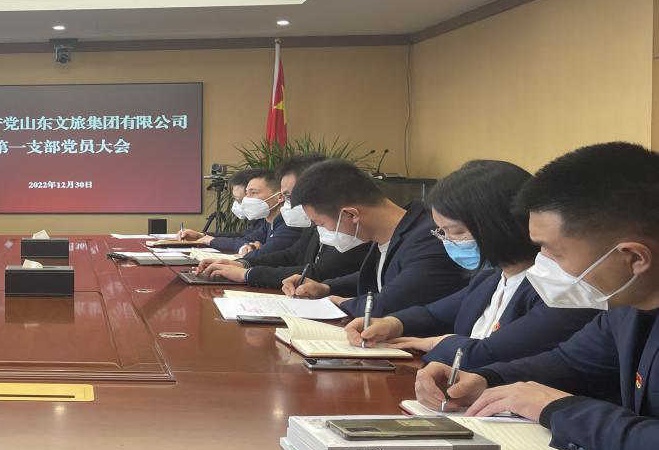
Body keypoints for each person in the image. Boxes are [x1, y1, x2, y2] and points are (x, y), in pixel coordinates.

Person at [415, 142, 659, 450]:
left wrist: (557, 408)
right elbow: (571, 362)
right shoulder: (627, 305)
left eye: (552, 251)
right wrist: (485, 378)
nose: (541, 265)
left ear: (633, 257)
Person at [344, 160, 594, 365]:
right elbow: (433, 314)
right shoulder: (491, 277)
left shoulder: (557, 290)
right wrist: (391, 324)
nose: (448, 241)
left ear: (499, 226)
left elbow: (488, 353)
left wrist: (438, 343)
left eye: (456, 232)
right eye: (441, 232)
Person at [282, 158, 468, 317]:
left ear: (351, 214)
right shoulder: (389, 232)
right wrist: (326, 288)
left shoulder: (430, 239)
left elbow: (388, 303)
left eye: (320, 224)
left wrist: (335, 302)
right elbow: (377, 277)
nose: (320, 231)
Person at [195, 154, 365, 286]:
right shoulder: (313, 224)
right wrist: (243, 264)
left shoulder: (349, 225)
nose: (288, 202)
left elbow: (319, 273)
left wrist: (247, 274)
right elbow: (291, 255)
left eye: (291, 196)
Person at [177, 169, 271, 251]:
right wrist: (201, 235)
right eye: (236, 200)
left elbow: (245, 241)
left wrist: (212, 240)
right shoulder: (263, 219)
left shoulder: (274, 220)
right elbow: (243, 236)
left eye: (239, 200)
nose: (239, 204)